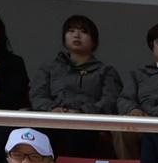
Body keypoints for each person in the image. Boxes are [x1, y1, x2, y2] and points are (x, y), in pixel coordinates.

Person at [32, 15, 127, 155]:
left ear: (94, 42)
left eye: (84, 31)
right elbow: (37, 95)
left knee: (75, 133)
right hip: (52, 119)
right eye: (71, 31)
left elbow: (110, 101)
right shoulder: (48, 68)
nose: (76, 35)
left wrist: (82, 112)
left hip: (88, 123)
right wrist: (52, 109)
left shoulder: (106, 71)